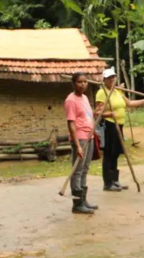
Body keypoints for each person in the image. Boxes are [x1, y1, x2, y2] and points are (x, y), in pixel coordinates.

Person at [95, 67, 144, 192]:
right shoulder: (102, 92)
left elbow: (130, 103)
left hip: (119, 125)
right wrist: (108, 114)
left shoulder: (118, 91)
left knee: (116, 153)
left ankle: (115, 181)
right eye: (109, 78)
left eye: (113, 77)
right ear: (104, 80)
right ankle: (107, 183)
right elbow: (98, 112)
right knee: (109, 153)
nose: (112, 79)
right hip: (109, 125)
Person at [65, 72, 98, 214]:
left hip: (89, 136)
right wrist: (77, 145)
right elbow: (71, 123)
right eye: (80, 82)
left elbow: (88, 116)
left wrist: (97, 112)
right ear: (74, 83)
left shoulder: (84, 97)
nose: (83, 84)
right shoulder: (71, 100)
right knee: (77, 171)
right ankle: (77, 204)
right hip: (80, 138)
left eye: (85, 81)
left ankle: (83, 201)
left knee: (85, 169)